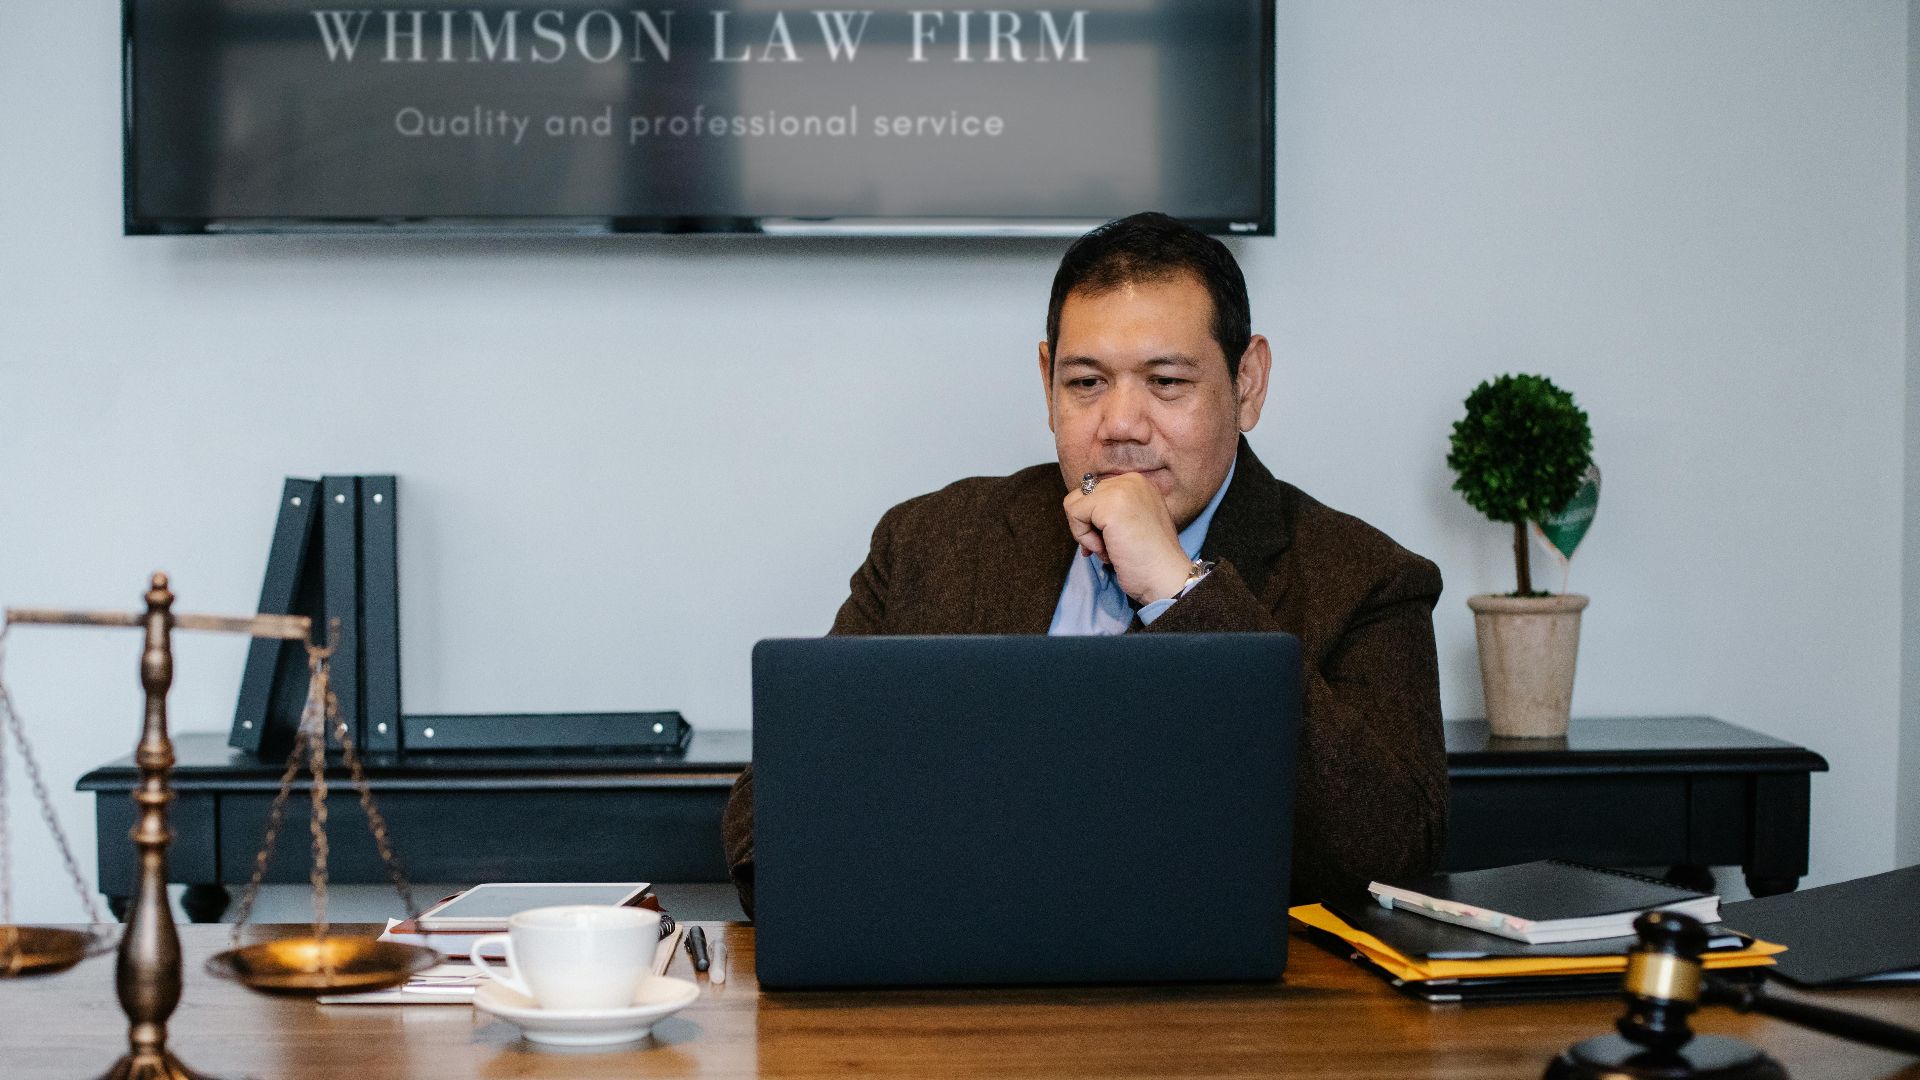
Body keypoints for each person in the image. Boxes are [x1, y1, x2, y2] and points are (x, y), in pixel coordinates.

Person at [722, 212, 1447, 917]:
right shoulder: (928, 541)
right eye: (1086, 383)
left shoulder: (1367, 579)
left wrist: (1179, 593)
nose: (1121, 426)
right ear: (1047, 381)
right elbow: (768, 826)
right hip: (958, 974)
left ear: (1248, 382)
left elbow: (1390, 855)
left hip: (1219, 994)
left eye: (1167, 382)